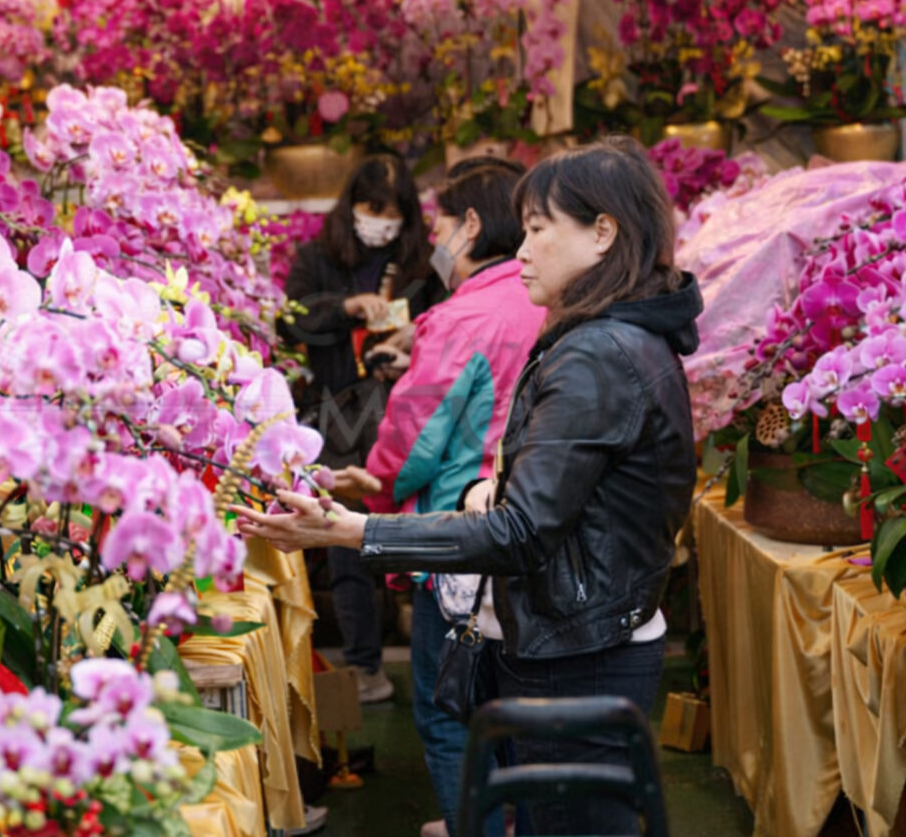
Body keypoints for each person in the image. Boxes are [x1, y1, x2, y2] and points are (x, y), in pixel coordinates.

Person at [236, 138, 702, 836]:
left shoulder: (599, 353)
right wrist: (502, 484)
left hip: (578, 646)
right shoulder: (621, 335)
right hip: (596, 627)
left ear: (602, 232)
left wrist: (353, 529)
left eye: (541, 227)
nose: (523, 250)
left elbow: (522, 532)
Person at [338, 158, 547, 837]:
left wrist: (369, 486)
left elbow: (414, 437)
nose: (436, 240)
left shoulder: (464, 314)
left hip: (461, 537)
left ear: (473, 225)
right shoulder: (544, 295)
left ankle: (475, 825)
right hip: (533, 524)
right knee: (514, 700)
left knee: (449, 704)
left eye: (441, 225)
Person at [281, 153, 443, 703]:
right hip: (337, 416)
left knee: (420, 539)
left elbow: (449, 319)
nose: (382, 221)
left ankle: (430, 663)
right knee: (345, 544)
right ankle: (365, 667)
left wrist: (413, 335)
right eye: (373, 209)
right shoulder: (318, 258)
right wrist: (345, 307)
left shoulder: (424, 264)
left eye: (392, 212)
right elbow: (292, 316)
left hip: (411, 415)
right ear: (352, 206)